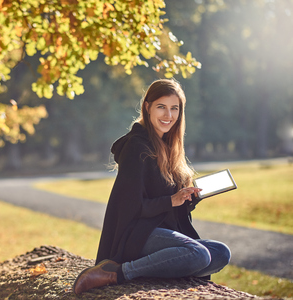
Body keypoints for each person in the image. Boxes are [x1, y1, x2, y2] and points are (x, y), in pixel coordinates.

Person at [73, 79, 231, 295]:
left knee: (221, 252)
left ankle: (156, 270)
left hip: (160, 230)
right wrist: (171, 201)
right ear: (147, 107)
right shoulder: (136, 146)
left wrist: (187, 199)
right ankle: (116, 273)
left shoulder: (169, 146)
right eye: (161, 107)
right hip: (135, 234)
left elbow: (169, 204)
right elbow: (130, 207)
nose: (168, 115)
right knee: (199, 255)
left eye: (174, 108)